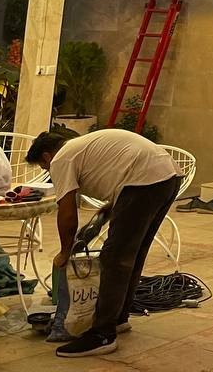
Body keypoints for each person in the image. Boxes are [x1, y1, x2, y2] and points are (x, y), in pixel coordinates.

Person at [27, 128, 181, 358]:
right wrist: (109, 210)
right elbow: (120, 175)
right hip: (168, 176)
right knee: (133, 253)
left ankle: (102, 334)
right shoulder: (82, 147)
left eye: (44, 167)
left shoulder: (61, 159)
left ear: (47, 156)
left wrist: (65, 252)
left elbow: (67, 213)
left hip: (144, 180)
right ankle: (118, 318)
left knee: (114, 259)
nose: (49, 172)